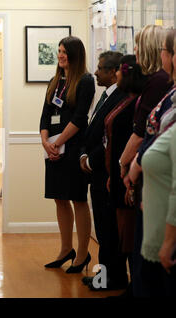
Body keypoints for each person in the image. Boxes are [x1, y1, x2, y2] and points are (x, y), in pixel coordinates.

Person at [119, 25, 171, 297]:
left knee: (146, 253)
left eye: (138, 45)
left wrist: (124, 163)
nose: (135, 51)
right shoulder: (155, 81)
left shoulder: (158, 83)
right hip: (143, 173)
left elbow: (142, 134)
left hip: (151, 177)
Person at [40, 36, 95, 273]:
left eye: (65, 52)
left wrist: (59, 142)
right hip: (53, 149)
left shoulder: (85, 80)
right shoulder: (55, 81)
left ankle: (82, 253)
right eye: (59, 51)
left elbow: (80, 118)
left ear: (76, 55)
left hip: (72, 149)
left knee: (78, 198)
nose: (61, 55)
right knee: (59, 198)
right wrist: (45, 142)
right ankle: (65, 249)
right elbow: (45, 115)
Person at [79, 51, 128, 290]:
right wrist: (84, 155)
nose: (95, 72)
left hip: (106, 173)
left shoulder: (121, 97)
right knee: (103, 229)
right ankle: (104, 276)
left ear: (113, 72)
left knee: (109, 232)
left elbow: (110, 138)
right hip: (97, 172)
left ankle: (112, 279)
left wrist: (90, 160)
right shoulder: (107, 95)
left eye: (100, 68)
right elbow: (93, 131)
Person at [103, 55, 146, 296]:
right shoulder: (125, 100)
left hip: (128, 175)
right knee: (123, 232)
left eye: (119, 71)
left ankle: (134, 285)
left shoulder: (136, 103)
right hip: (117, 175)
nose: (115, 74)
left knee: (129, 232)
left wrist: (121, 167)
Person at [138, 30, 176, 297]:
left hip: (167, 230)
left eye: (166, 49)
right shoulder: (168, 91)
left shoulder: (159, 84)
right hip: (155, 213)